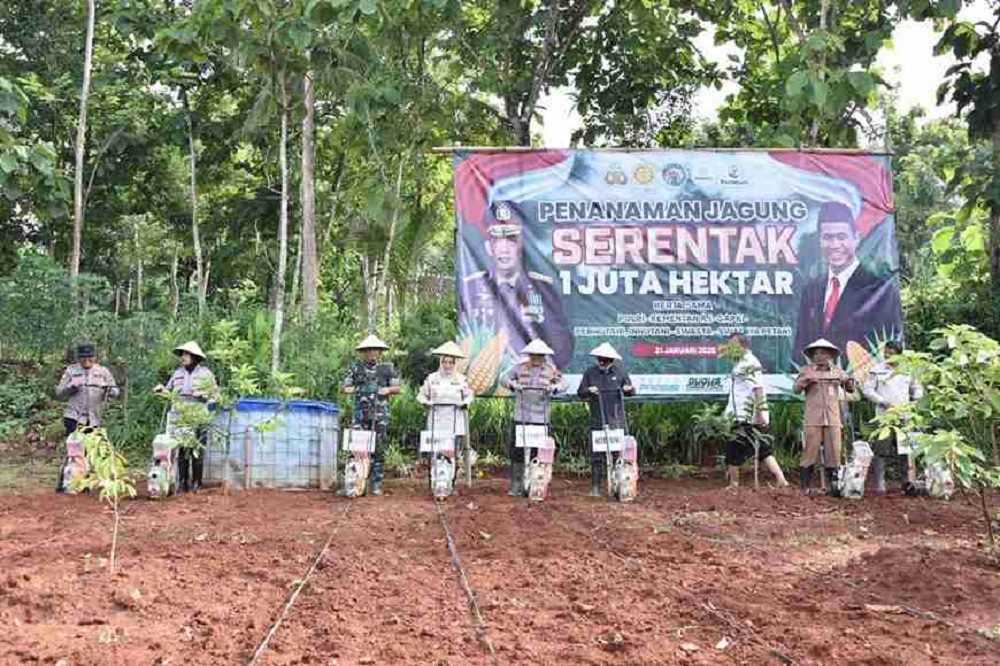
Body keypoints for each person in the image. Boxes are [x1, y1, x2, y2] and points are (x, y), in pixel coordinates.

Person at [460, 201, 573, 367]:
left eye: (511, 241)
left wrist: (546, 366)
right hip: (488, 377)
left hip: (533, 374)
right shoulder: (470, 288)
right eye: (497, 241)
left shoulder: (543, 288)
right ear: (489, 247)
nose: (504, 249)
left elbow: (562, 342)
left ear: (520, 247)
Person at [793, 201, 902, 363]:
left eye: (841, 237)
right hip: (818, 384)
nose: (835, 245)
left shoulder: (879, 289)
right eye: (828, 237)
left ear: (856, 238)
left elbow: (891, 345)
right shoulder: (812, 289)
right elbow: (800, 347)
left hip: (862, 383)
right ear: (819, 240)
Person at [722, 333, 788, 488]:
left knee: (734, 448)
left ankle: (734, 484)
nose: (729, 348)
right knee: (763, 449)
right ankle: (781, 479)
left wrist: (759, 413)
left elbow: (758, 389)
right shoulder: (741, 362)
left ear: (743, 346)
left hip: (747, 415)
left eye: (732, 345)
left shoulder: (750, 363)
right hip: (741, 413)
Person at [502, 339, 566, 497]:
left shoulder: (551, 370)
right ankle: (517, 484)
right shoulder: (520, 367)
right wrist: (513, 385)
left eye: (540, 355)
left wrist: (554, 387)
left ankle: (536, 483)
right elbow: (503, 378)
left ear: (544, 356)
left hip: (541, 417)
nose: (537, 358)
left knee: (538, 452)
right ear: (530, 355)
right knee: (517, 451)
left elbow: (564, 384)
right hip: (521, 414)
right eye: (534, 355)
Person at [340, 333, 401, 496]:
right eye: (368, 351)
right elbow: (345, 388)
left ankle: (375, 483)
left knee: (378, 448)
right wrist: (362, 389)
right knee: (357, 448)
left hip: (380, 414)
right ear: (363, 352)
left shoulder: (387, 368)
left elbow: (397, 388)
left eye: (375, 350)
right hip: (360, 414)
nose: (372, 353)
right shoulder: (355, 368)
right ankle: (355, 481)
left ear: (380, 352)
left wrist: (386, 390)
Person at [55, 343, 120, 492]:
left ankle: (86, 483)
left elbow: (116, 392)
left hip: (94, 418)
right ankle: (65, 482)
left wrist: (108, 389)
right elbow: (59, 393)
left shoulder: (103, 372)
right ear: (79, 358)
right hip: (74, 416)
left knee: (92, 452)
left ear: (95, 357)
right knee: (73, 450)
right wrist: (71, 387)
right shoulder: (71, 371)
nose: (86, 361)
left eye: (89, 357)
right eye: (83, 358)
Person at [793, 338, 855, 495]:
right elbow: (796, 389)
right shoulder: (806, 371)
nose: (819, 356)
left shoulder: (838, 372)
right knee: (810, 450)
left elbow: (851, 389)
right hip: (813, 418)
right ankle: (805, 487)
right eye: (816, 353)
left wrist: (847, 381)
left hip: (833, 418)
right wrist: (806, 381)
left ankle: (834, 487)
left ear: (830, 355)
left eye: (823, 353)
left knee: (834, 451)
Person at [861, 340, 924, 495]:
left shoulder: (908, 371)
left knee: (905, 450)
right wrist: (882, 401)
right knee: (881, 449)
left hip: (904, 416)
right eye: (886, 352)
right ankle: (880, 484)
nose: (888, 355)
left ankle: (907, 482)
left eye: (892, 353)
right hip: (884, 416)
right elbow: (867, 390)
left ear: (899, 355)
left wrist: (914, 402)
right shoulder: (876, 370)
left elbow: (917, 388)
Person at [156, 341, 218, 493]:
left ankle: (197, 483)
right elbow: (169, 391)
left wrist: (205, 396)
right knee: (183, 451)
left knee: (197, 450)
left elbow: (216, 395)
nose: (183, 357)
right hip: (180, 417)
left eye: (186, 354)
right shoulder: (177, 373)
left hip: (199, 416)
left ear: (194, 357)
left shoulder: (206, 374)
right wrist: (161, 390)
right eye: (182, 354)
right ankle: (183, 483)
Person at [576, 342, 636, 497]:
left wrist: (628, 389)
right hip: (597, 418)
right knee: (597, 455)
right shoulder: (590, 373)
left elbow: (630, 391)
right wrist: (589, 390)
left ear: (612, 360)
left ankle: (618, 485)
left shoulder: (620, 373)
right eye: (600, 359)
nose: (602, 362)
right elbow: (580, 392)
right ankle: (595, 487)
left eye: (606, 360)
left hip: (616, 418)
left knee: (618, 455)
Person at [417, 341, 474, 498]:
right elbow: (421, 395)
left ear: (455, 364)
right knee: (435, 453)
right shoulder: (432, 378)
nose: (447, 365)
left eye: (450, 362)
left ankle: (450, 483)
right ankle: (435, 482)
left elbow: (469, 395)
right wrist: (426, 402)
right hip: (436, 419)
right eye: (445, 361)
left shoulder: (461, 379)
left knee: (452, 453)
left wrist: (465, 403)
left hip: (454, 420)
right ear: (440, 362)